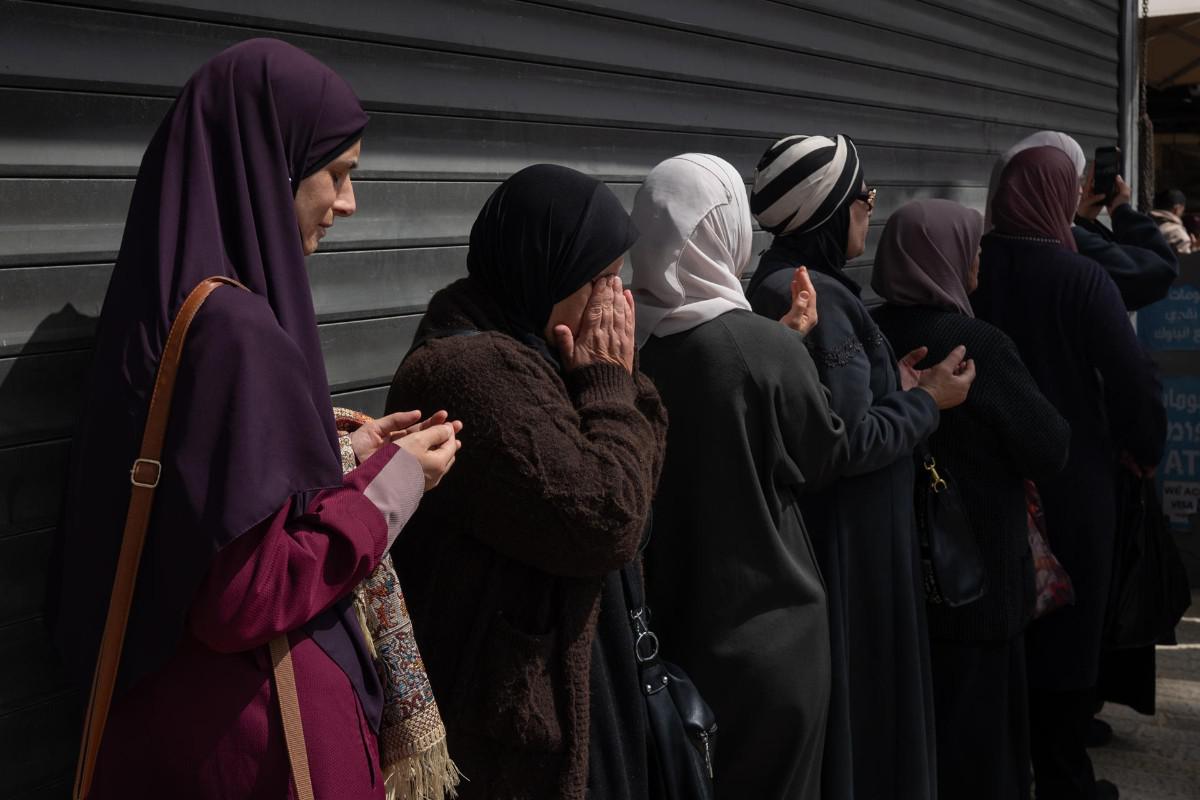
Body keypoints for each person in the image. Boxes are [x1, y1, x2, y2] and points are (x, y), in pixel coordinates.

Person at [46, 39, 462, 799]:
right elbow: (244, 595)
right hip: (260, 745)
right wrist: (398, 485)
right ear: (269, 167)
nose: (348, 203)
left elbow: (202, 518)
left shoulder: (160, 310)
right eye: (337, 174)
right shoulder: (239, 331)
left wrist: (342, 456)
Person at [384, 164, 667, 800]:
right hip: (516, 728)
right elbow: (609, 517)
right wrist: (609, 385)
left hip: (588, 683)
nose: (612, 302)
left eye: (617, 278)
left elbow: (638, 492)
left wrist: (612, 384)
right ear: (545, 267)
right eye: (597, 279)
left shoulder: (539, 349)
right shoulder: (469, 372)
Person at [746, 133, 975, 800]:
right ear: (830, 209)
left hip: (840, 539)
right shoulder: (816, 297)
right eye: (863, 196)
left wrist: (893, 389)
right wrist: (928, 402)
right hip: (855, 549)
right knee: (869, 712)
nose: (872, 206)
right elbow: (842, 443)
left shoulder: (782, 285)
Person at [629, 153, 849, 799]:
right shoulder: (764, 347)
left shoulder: (622, 348)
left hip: (666, 635)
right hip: (772, 633)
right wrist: (791, 348)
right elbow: (823, 456)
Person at [972, 146, 1166, 800]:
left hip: (988, 477)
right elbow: (1133, 381)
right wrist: (1145, 448)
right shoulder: (1081, 278)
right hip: (1075, 483)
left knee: (1002, 621)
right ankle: (1063, 777)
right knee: (1069, 627)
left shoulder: (974, 265)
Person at [872, 199, 1071, 800]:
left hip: (893, 582)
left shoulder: (867, 330)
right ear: (949, 256)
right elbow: (1049, 446)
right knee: (983, 756)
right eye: (972, 246)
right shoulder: (976, 342)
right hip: (976, 586)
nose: (980, 257)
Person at [986, 131, 1177, 310]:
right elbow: (1161, 272)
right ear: (1052, 186)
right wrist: (1121, 211)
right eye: (1073, 180)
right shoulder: (1070, 255)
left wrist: (1084, 221)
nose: (1079, 190)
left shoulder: (983, 251)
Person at [1151, 188, 1193, 255]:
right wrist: (1193, 250)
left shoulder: (1143, 222)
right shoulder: (1178, 234)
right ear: (1177, 209)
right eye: (1183, 210)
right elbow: (1185, 263)